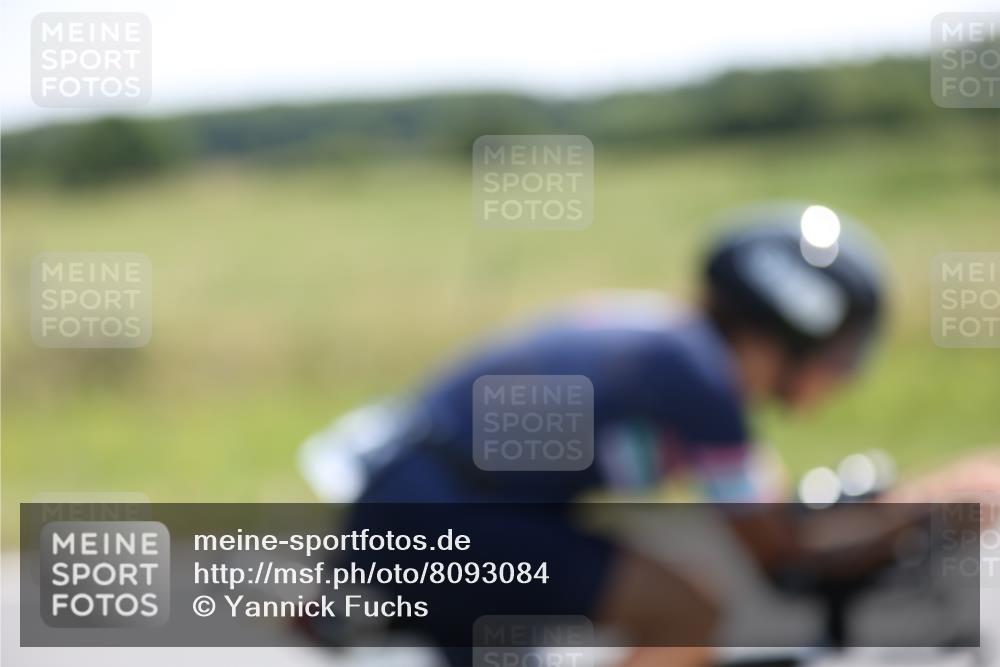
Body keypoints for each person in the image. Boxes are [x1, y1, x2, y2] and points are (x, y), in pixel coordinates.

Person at [301, 203, 996, 666]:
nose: (844, 376)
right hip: (451, 520)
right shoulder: (698, 376)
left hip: (415, 504)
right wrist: (932, 507)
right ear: (795, 327)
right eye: (844, 355)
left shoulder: (676, 347)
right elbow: (777, 550)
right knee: (685, 610)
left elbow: (770, 509)